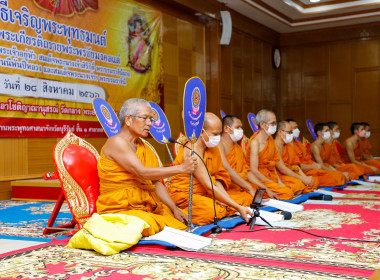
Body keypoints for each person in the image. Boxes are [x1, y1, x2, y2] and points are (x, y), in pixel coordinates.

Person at [96, 98, 198, 236]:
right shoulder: (116, 142)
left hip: (143, 205)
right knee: (148, 223)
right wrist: (181, 168)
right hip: (119, 208)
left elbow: (155, 181)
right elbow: (142, 173)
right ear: (128, 120)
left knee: (176, 219)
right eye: (145, 118)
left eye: (151, 119)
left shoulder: (142, 146)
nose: (150, 123)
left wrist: (174, 209)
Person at [169, 112, 251, 226]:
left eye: (219, 133)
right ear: (202, 132)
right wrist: (236, 207)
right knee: (213, 210)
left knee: (244, 198)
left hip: (208, 194)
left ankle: (225, 207)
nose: (218, 137)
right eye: (215, 134)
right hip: (187, 195)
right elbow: (209, 186)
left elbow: (217, 178)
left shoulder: (213, 149)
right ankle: (177, 212)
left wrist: (227, 200)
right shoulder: (192, 151)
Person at [218, 115, 279, 201]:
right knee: (248, 198)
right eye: (237, 127)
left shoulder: (237, 148)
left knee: (261, 191)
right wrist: (249, 188)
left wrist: (265, 188)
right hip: (227, 187)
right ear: (226, 128)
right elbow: (227, 170)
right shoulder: (218, 145)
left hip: (241, 185)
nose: (241, 130)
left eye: (241, 127)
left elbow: (247, 172)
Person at [246, 110, 297, 200]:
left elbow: (273, 165)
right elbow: (254, 170)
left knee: (296, 187)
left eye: (275, 123)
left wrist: (279, 183)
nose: (275, 126)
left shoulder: (270, 139)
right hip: (259, 178)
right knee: (287, 193)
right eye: (272, 123)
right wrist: (270, 183)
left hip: (271, 176)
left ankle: (273, 192)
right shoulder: (255, 142)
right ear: (262, 124)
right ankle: (265, 194)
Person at [286, 119, 346, 187]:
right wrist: (313, 167)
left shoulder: (299, 144)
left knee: (340, 176)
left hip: (314, 168)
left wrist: (315, 165)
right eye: (294, 128)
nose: (297, 130)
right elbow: (296, 166)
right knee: (337, 178)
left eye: (297, 127)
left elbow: (309, 159)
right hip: (305, 171)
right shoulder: (287, 146)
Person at [274, 121, 318, 193]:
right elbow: (282, 169)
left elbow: (296, 165)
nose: (291, 134)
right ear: (280, 132)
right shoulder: (274, 146)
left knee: (314, 181)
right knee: (299, 186)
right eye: (290, 132)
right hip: (280, 175)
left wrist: (304, 177)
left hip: (291, 173)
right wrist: (302, 179)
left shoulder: (288, 146)